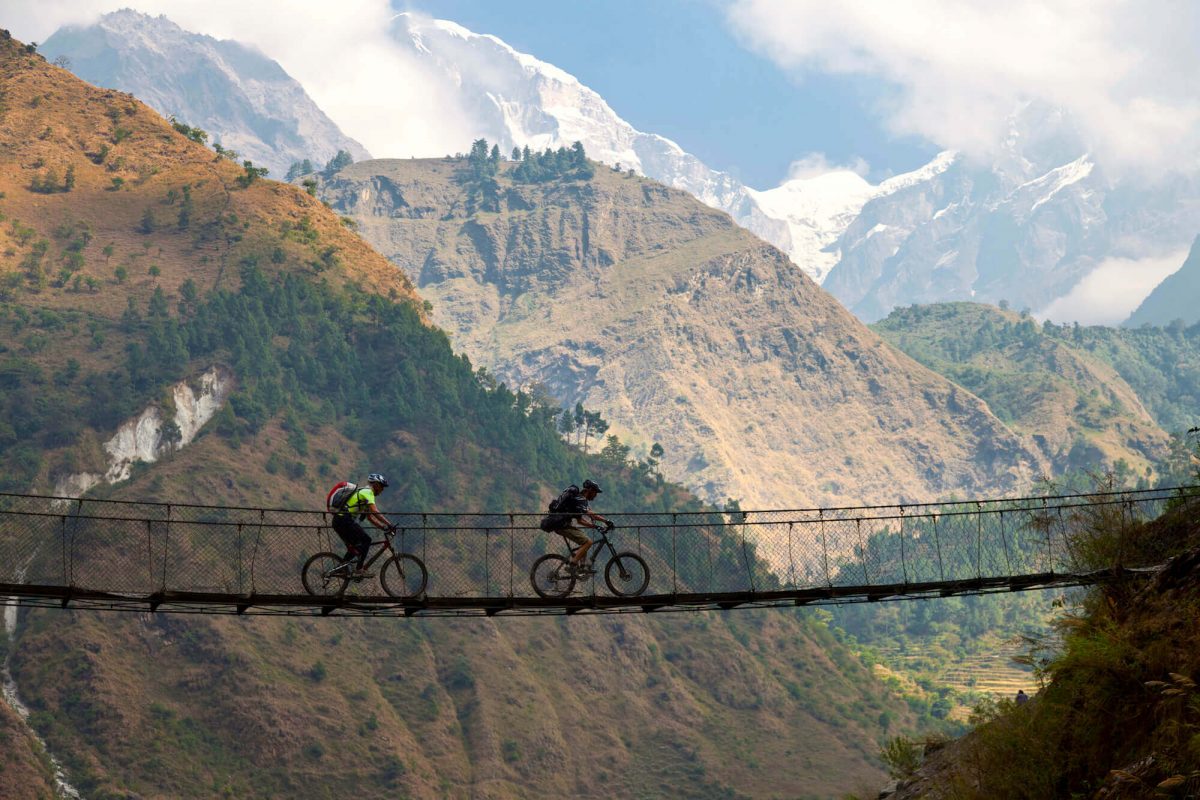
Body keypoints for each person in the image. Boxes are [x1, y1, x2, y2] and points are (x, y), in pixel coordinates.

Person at [332, 473, 394, 578]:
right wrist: (389, 524)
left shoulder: (363, 493)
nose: (382, 489)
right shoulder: (368, 492)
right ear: (376, 485)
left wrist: (383, 527)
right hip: (344, 520)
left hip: (340, 521)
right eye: (381, 486)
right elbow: (375, 511)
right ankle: (359, 569)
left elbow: (370, 517)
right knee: (366, 540)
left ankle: (342, 567)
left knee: (357, 546)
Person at [544, 479, 610, 574]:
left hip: (562, 525)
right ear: (590, 490)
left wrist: (594, 526)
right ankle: (573, 564)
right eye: (595, 493)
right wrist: (606, 521)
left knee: (585, 540)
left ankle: (582, 567)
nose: (596, 496)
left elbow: (580, 521)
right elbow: (591, 514)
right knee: (588, 542)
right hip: (562, 525)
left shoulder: (579, 500)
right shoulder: (580, 499)